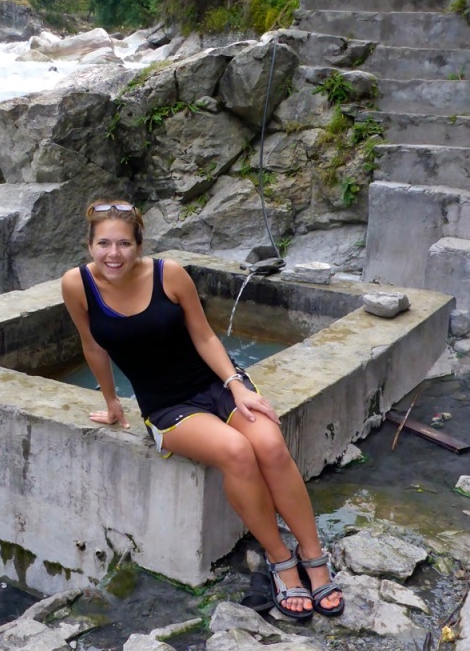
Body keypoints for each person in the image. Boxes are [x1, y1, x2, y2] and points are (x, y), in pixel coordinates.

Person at [61, 200, 344, 620]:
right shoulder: (76, 285)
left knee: (268, 442)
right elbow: (92, 345)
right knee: (236, 451)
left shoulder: (168, 274)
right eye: (104, 243)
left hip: (215, 384)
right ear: (89, 245)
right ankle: (282, 560)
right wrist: (111, 402)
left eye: (123, 243)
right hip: (167, 405)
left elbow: (204, 334)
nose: (113, 254)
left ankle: (314, 555)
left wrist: (236, 385)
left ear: (139, 245)